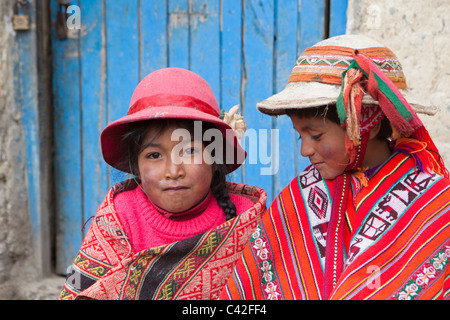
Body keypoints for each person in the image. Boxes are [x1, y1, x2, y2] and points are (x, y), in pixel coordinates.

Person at [220, 35, 450, 300]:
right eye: (300, 136)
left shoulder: (433, 202)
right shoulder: (299, 198)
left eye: (315, 136)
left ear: (369, 126)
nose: (304, 150)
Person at [59, 68, 267, 300]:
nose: (173, 171)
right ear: (136, 166)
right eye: (155, 155)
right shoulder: (119, 217)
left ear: (215, 158)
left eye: (189, 151)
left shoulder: (246, 219)